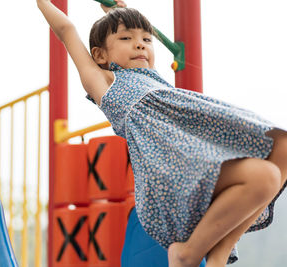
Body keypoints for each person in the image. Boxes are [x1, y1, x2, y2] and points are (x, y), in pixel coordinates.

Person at [36, 0, 287, 266]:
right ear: (99, 56)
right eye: (126, 38)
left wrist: (117, 14)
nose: (141, 44)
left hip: (200, 146)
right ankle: (187, 254)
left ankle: (218, 255)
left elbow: (130, 38)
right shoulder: (105, 83)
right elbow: (66, 29)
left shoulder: (154, 78)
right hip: (170, 167)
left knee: (278, 155)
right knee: (265, 174)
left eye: (146, 39)